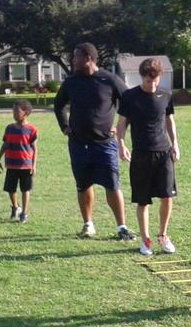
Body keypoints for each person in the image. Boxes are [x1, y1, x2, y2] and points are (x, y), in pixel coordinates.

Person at [53, 42, 135, 240]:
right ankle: (88, 225)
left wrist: (120, 127)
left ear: (88, 58)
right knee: (83, 185)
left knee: (112, 185)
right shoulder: (71, 82)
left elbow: (130, 103)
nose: (73, 61)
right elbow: (59, 104)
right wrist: (65, 126)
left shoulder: (109, 80)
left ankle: (121, 227)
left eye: (76, 57)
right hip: (78, 144)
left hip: (104, 144)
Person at [116, 58, 180, 256]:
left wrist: (175, 143)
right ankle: (145, 240)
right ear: (142, 77)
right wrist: (121, 144)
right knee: (143, 201)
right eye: (148, 81)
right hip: (141, 154)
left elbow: (169, 120)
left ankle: (163, 235)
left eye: (155, 81)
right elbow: (121, 123)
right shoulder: (129, 97)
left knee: (167, 197)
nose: (152, 85)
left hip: (163, 153)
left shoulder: (166, 95)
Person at [0, 100, 38, 223]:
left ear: (26, 112)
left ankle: (24, 213)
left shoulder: (31, 130)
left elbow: (35, 149)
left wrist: (34, 165)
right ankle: (15, 207)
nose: (14, 113)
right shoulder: (9, 128)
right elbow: (5, 144)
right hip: (11, 164)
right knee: (10, 189)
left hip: (25, 165)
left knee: (25, 189)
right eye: (13, 111)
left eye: (17, 111)